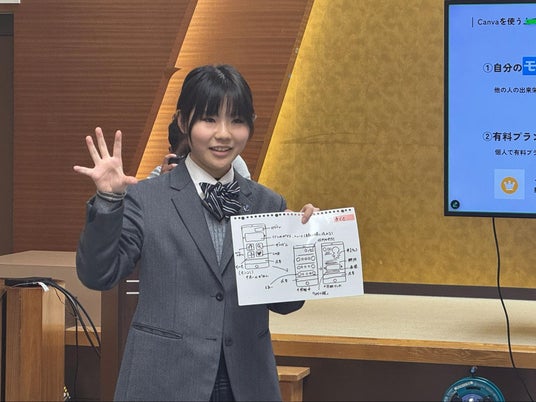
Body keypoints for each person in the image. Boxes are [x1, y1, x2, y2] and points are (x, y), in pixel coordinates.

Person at [73, 64, 318, 402]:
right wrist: (108, 200)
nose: (224, 134)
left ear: (251, 124)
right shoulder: (147, 198)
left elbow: (286, 304)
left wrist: (299, 245)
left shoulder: (267, 202)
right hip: (164, 380)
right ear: (183, 121)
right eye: (209, 119)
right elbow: (99, 274)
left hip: (245, 381)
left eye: (236, 121)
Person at [147, 113, 251, 179]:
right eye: (185, 155)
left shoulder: (231, 162)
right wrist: (163, 187)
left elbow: (248, 200)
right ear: (171, 153)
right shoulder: (161, 174)